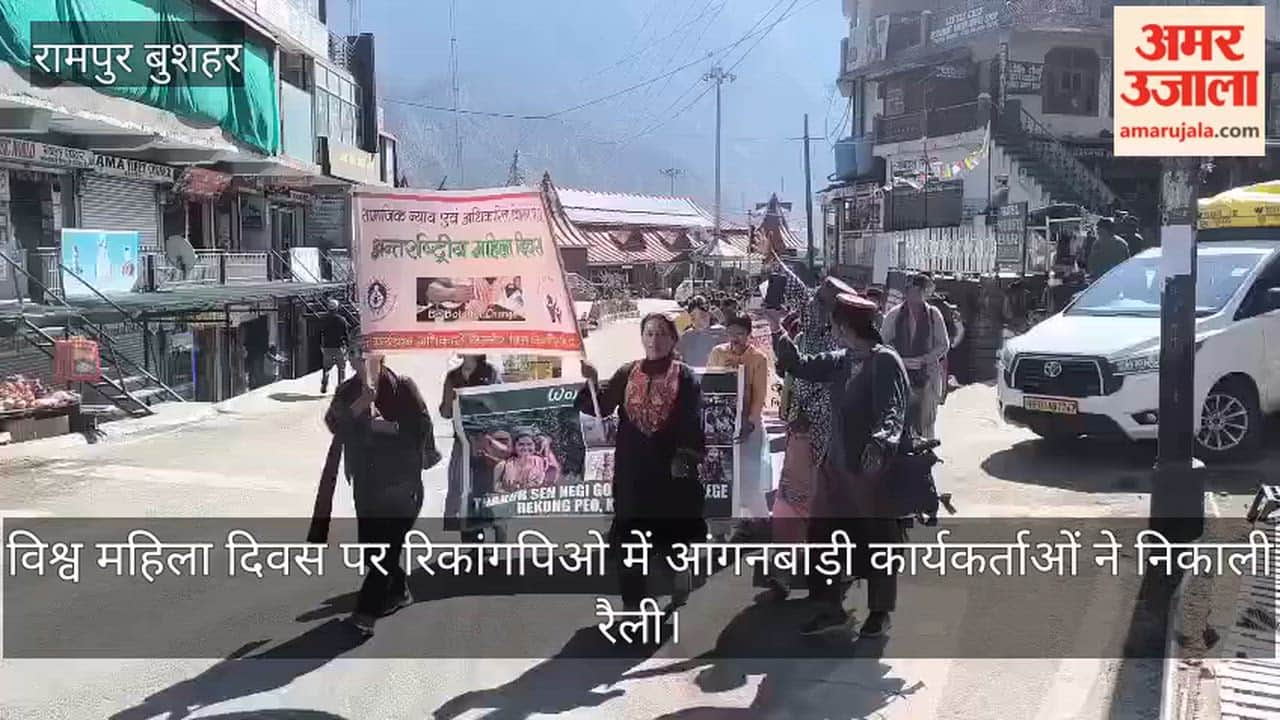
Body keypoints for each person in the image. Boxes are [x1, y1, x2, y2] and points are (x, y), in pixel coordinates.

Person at [769, 292, 910, 638]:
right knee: (825, 538)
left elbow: (893, 411)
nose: (831, 328)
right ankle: (830, 607)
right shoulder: (842, 358)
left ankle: (879, 612)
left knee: (877, 541)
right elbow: (800, 364)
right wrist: (776, 328)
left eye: (834, 323)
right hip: (835, 467)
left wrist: (880, 443)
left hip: (870, 472)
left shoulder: (884, 361)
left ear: (847, 327)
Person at [577, 313, 705, 610]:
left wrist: (683, 457)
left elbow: (691, 420)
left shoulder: (684, 376)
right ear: (642, 338)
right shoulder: (627, 372)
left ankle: (677, 570)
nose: (654, 340)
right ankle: (633, 607)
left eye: (661, 334)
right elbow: (602, 408)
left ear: (673, 338)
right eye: (649, 333)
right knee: (630, 541)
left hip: (668, 472)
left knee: (668, 538)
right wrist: (593, 380)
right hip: (633, 470)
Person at [324, 346, 432, 638]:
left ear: (381, 358)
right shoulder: (348, 390)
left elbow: (422, 427)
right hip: (366, 482)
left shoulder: (403, 387)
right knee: (373, 550)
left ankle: (364, 616)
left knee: (386, 547)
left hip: (402, 481)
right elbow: (333, 423)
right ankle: (398, 590)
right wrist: (362, 403)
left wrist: (389, 428)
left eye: (367, 354)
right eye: (355, 354)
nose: (361, 360)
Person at [762, 273, 857, 600]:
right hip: (804, 434)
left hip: (834, 437)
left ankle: (833, 573)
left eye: (824, 299)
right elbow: (787, 369)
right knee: (791, 504)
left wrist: (773, 264)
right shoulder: (806, 336)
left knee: (829, 508)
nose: (817, 304)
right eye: (819, 298)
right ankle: (783, 574)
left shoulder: (843, 343)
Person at [708, 315, 772, 528]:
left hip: (748, 429)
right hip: (722, 428)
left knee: (749, 481)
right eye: (732, 333)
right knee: (723, 478)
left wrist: (749, 424)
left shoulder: (758, 359)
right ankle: (730, 527)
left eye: (741, 334)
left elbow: (759, 396)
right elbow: (708, 385)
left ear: (748, 335)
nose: (735, 339)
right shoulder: (717, 353)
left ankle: (763, 525)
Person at [881, 274, 950, 441]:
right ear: (907, 291)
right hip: (900, 378)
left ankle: (926, 458)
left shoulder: (934, 315)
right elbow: (883, 343)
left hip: (927, 377)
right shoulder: (894, 315)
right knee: (902, 421)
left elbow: (944, 345)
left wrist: (925, 359)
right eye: (913, 290)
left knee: (926, 423)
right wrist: (898, 359)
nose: (916, 294)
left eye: (920, 290)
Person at [440, 354, 501, 533]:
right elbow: (445, 413)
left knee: (489, 489)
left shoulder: (491, 374)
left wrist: (482, 400)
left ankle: (498, 544)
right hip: (463, 443)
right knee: (462, 490)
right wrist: (450, 399)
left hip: (487, 441)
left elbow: (500, 404)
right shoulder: (453, 376)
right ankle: (472, 543)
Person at [494, 429, 558, 491]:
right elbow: (497, 490)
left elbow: (551, 485)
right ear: (514, 446)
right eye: (521, 444)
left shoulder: (545, 463)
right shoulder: (502, 465)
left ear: (535, 446)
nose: (525, 448)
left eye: (529, 444)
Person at [675, 295, 726, 367]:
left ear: (709, 314)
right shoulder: (686, 337)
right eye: (693, 318)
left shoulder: (721, 332)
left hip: (715, 376)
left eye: (703, 316)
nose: (699, 321)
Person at [319, 299, 351, 394]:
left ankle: (325, 380)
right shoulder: (342, 320)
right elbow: (346, 334)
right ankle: (341, 387)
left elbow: (320, 332)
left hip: (327, 346)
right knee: (341, 368)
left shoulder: (324, 319)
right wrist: (348, 346)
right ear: (337, 308)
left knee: (326, 367)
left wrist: (321, 345)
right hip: (339, 346)